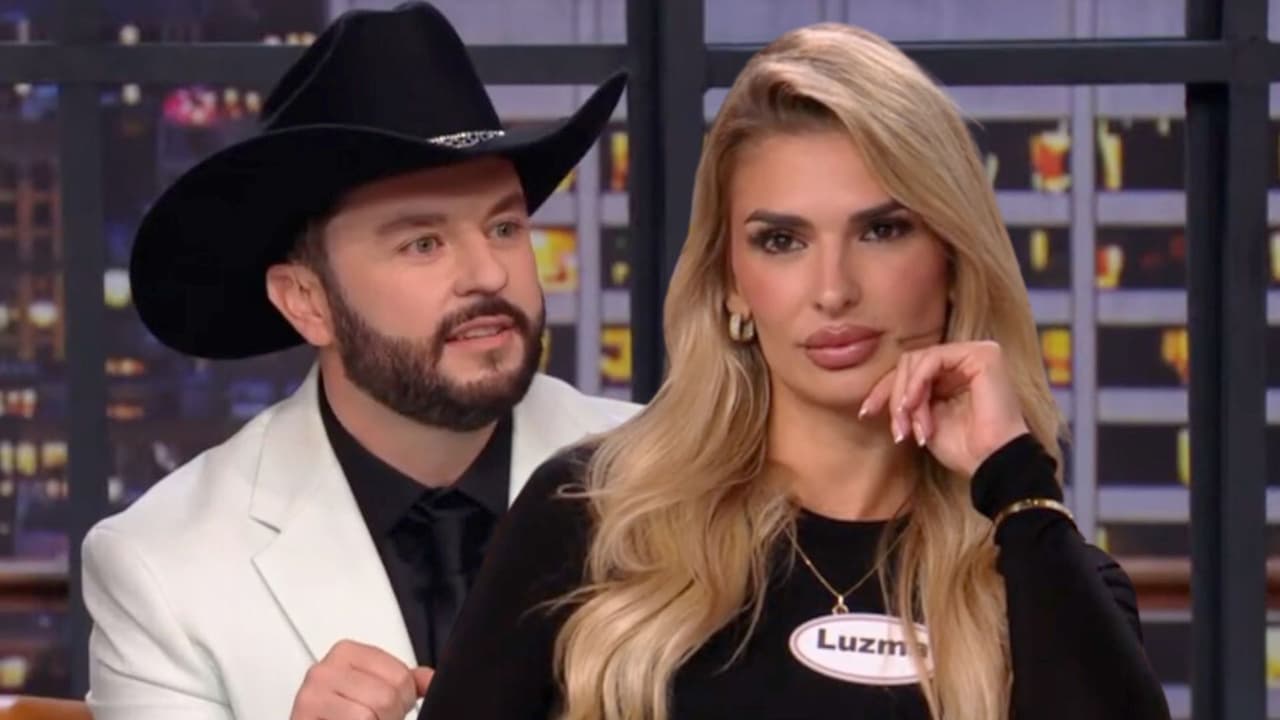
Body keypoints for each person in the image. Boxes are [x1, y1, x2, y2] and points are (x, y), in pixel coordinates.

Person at [418, 22, 1172, 720]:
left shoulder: (1041, 571)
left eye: (882, 230)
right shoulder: (591, 522)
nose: (833, 290)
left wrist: (1016, 480)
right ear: (731, 283)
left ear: (953, 259)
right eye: (782, 241)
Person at [81, 4, 634, 720]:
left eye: (503, 226)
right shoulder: (161, 569)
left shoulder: (679, 476)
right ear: (307, 301)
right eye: (423, 243)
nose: (489, 274)